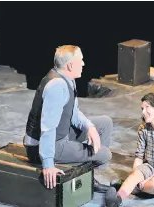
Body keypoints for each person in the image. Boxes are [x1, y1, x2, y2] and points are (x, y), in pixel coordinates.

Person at [23, 45, 113, 192]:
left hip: (61, 134)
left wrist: (90, 127)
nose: (84, 64)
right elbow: (48, 127)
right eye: (81, 60)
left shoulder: (67, 79)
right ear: (70, 65)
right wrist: (48, 165)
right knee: (104, 154)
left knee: (105, 123)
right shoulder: (57, 85)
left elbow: (74, 112)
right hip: (45, 146)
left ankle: (89, 176)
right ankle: (87, 175)